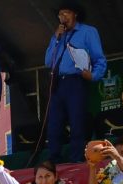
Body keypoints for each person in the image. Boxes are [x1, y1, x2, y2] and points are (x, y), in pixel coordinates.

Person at [45, 2, 107, 163]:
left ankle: (76, 158)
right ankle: (54, 159)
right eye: (60, 14)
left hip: (76, 80)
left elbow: (99, 58)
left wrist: (93, 75)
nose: (62, 17)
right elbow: (47, 61)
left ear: (75, 14)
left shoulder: (88, 32)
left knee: (77, 121)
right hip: (58, 82)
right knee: (54, 123)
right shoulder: (58, 35)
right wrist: (55, 38)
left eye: (66, 13)